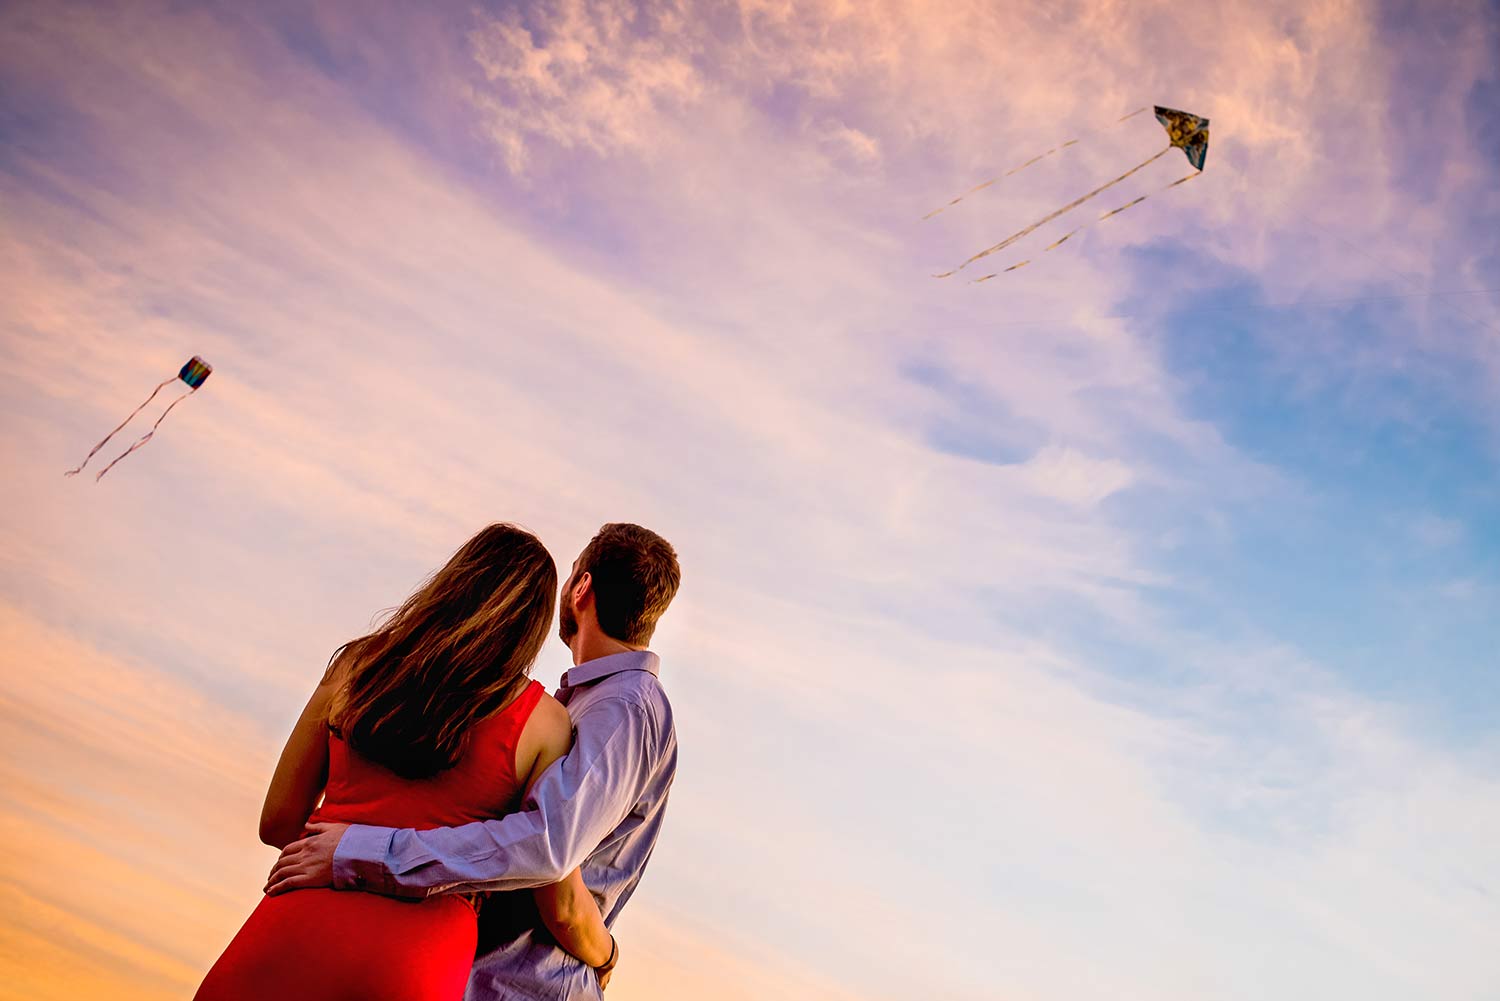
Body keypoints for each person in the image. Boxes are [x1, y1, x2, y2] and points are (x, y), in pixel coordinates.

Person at [195, 523, 617, 1001]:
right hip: (418, 959)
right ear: (535, 623)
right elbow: (555, 891)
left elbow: (277, 822)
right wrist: (604, 955)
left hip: (293, 931)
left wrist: (340, 852)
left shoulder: (359, 664)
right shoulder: (546, 723)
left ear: (454, 582)